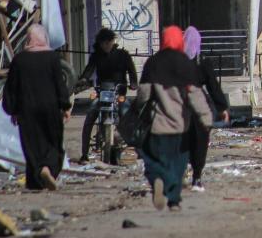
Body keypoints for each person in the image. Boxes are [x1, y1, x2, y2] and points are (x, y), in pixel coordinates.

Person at [135, 26, 213, 211]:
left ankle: (157, 181)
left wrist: (137, 109)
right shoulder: (186, 64)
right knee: (177, 164)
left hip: (157, 124)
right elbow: (195, 95)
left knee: (155, 160)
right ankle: (174, 201)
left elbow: (144, 93)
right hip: (180, 125)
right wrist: (206, 118)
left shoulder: (153, 62)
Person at [2, 24, 71, 191]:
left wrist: (13, 110)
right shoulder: (53, 58)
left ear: (28, 39)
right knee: (53, 142)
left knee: (32, 145)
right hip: (51, 109)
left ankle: (36, 178)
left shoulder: (19, 60)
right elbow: (59, 84)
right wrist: (65, 105)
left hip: (27, 110)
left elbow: (11, 87)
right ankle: (48, 169)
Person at [76, 28, 139, 163]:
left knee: (127, 114)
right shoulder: (96, 56)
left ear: (112, 41)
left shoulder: (123, 55)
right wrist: (83, 79)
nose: (106, 45)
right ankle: (84, 153)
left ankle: (138, 149)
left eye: (108, 42)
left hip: (118, 93)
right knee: (90, 116)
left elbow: (132, 72)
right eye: (103, 43)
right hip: (102, 93)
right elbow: (89, 70)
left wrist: (133, 83)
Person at [182, 26, 229, 192]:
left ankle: (180, 172)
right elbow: (213, 86)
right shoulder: (203, 62)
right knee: (200, 142)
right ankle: (197, 177)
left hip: (179, 105)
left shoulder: (176, 61)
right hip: (200, 106)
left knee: (182, 141)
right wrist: (222, 107)